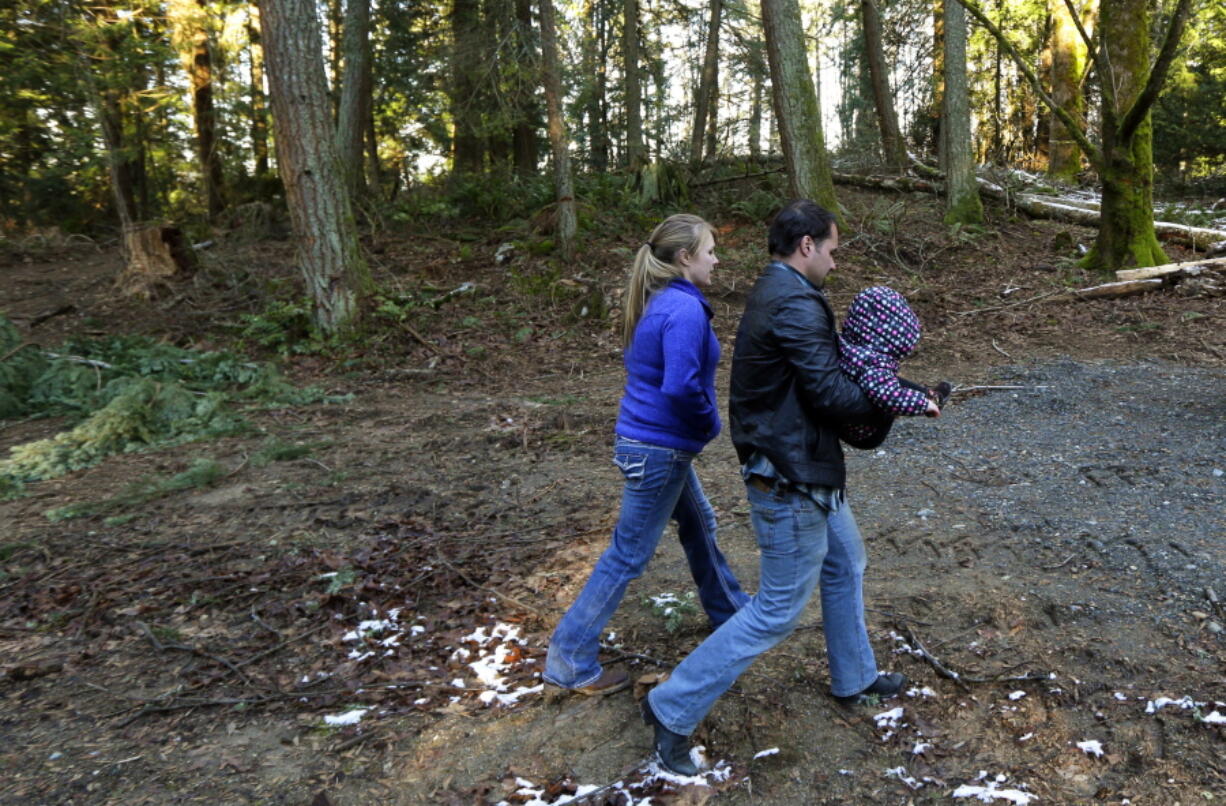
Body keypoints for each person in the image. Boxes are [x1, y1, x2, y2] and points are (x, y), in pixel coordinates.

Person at [642, 200, 914, 775]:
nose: (837, 265)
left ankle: (855, 677)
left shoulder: (788, 292)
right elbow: (832, 393)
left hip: (804, 463)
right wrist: (901, 400)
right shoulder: (792, 300)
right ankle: (670, 707)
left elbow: (821, 384)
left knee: (846, 562)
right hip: (789, 475)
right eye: (834, 251)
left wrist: (901, 390)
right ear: (808, 246)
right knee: (776, 610)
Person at [543, 213, 749, 697]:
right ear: (684, 257)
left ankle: (731, 613)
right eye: (710, 250)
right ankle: (568, 659)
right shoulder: (683, 311)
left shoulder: (663, 302)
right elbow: (679, 385)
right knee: (628, 556)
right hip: (659, 451)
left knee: (700, 525)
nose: (716, 259)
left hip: (653, 447)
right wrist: (709, 423)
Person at [836, 285, 950, 449]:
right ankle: (929, 399)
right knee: (885, 383)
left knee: (885, 379)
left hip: (849, 407)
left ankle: (931, 395)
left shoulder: (848, 345)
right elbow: (888, 396)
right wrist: (921, 404)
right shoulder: (874, 363)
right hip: (865, 432)